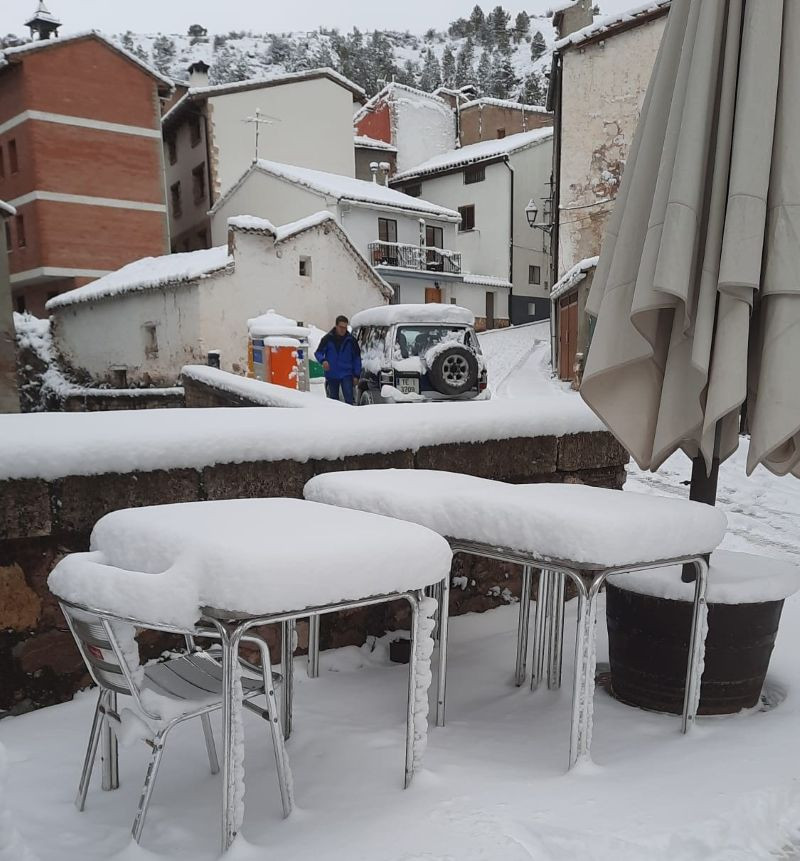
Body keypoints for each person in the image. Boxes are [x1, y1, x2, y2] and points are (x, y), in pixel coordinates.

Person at [315, 315, 362, 404]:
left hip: (347, 374)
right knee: (333, 401)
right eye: (341, 327)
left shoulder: (351, 341)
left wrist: (356, 375)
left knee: (349, 400)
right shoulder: (327, 339)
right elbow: (318, 352)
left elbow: (357, 358)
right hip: (332, 374)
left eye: (345, 327)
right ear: (336, 326)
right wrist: (323, 360)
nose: (343, 330)